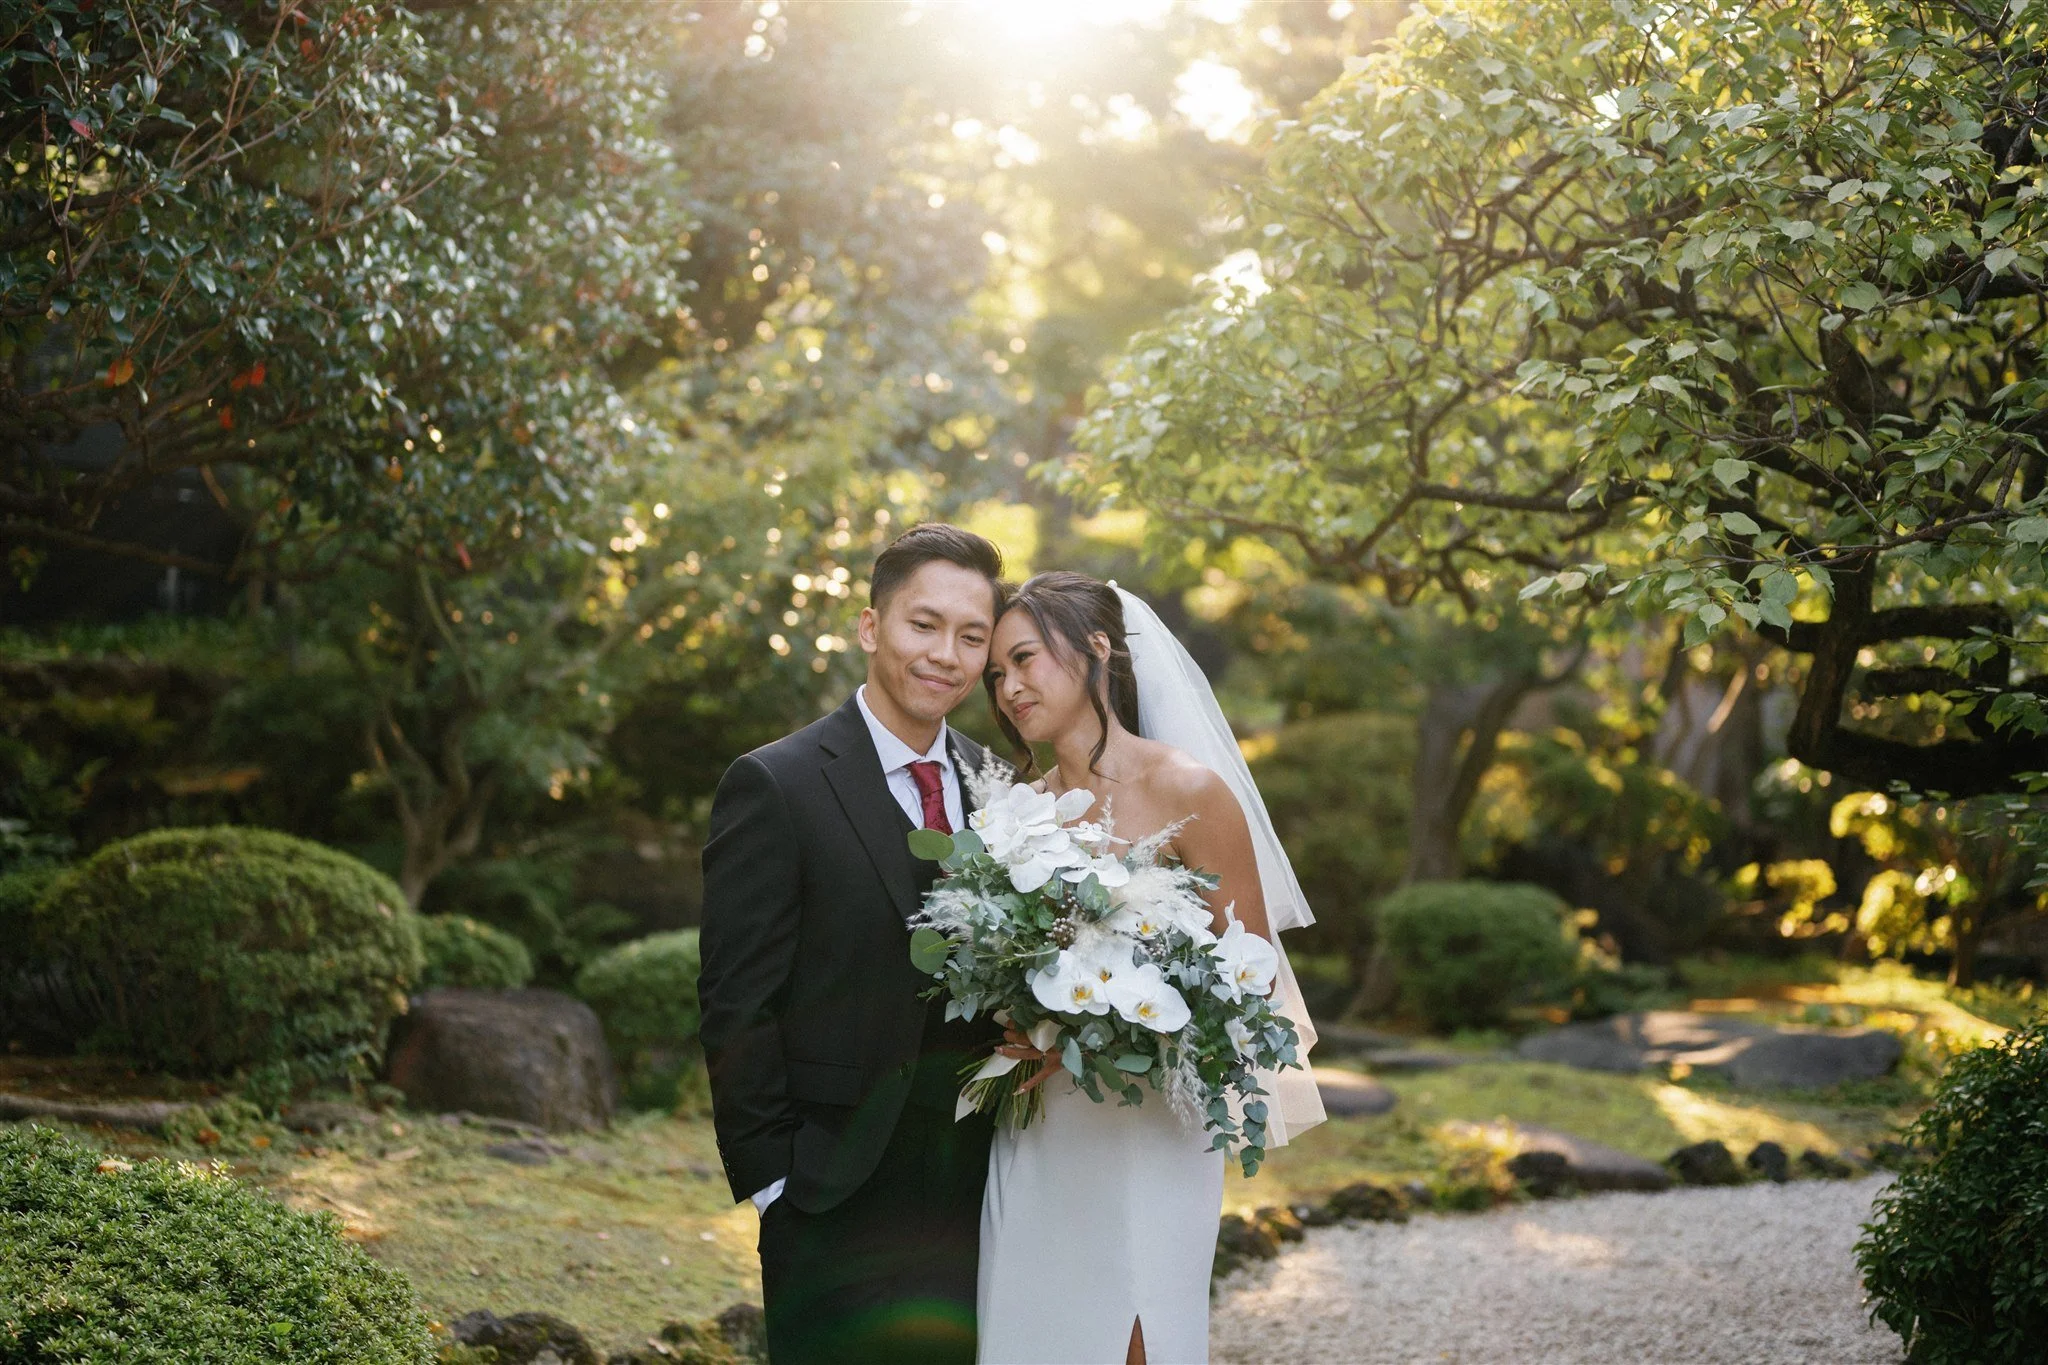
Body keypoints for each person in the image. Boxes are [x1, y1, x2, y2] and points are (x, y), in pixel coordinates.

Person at [974, 571, 1326, 1365]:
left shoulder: (1190, 789)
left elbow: (1254, 980)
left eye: (1025, 658)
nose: (1009, 687)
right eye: (997, 673)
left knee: (1136, 1336)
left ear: (1097, 649)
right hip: (1040, 1126)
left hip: (1150, 1129)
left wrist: (1104, 1020)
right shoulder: (1013, 811)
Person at [697, 523, 1008, 1364]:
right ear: (872, 627)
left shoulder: (1001, 788)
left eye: (971, 636)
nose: (946, 653)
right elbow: (735, 998)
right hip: (828, 1189)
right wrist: (774, 1182)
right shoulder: (776, 782)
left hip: (978, 1191)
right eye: (924, 624)